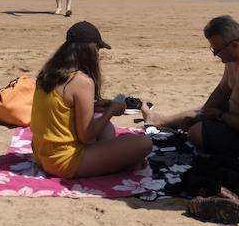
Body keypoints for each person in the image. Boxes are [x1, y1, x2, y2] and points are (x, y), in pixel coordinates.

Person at [142, 15, 239, 158]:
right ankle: (160, 119)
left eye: (217, 50)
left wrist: (218, 116)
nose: (215, 54)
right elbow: (223, 91)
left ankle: (166, 120)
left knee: (197, 133)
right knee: (202, 114)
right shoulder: (235, 58)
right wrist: (200, 116)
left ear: (235, 45)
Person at [29, 21, 153, 178]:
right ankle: (122, 163)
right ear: (89, 50)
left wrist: (99, 106)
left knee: (106, 128)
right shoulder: (81, 81)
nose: (98, 53)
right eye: (98, 48)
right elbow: (86, 137)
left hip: (41, 153)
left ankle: (115, 161)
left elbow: (64, 108)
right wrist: (111, 111)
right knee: (143, 144)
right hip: (63, 161)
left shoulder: (49, 72)